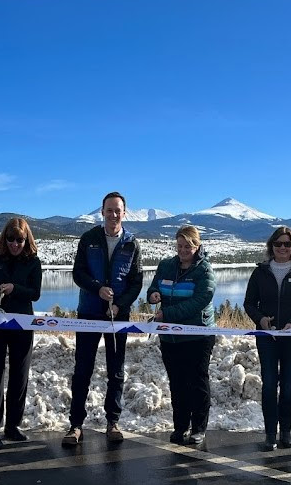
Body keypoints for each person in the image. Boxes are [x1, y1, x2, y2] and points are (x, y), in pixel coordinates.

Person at [63, 192, 143, 447]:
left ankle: (113, 422)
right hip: (88, 312)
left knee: (116, 370)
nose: (113, 214)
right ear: (102, 211)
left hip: (117, 316)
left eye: (118, 210)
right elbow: (78, 273)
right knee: (82, 369)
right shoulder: (89, 239)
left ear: (124, 213)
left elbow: (136, 281)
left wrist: (121, 304)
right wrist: (97, 288)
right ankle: (76, 425)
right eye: (109, 210)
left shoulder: (132, 243)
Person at [0, 217, 42, 450]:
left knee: (19, 376)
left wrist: (15, 288)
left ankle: (13, 426)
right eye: (11, 239)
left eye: (20, 240)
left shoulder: (33, 262)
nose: (15, 244)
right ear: (4, 238)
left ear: (26, 239)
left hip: (22, 324)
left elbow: (36, 293)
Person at [244, 227, 291, 450]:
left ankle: (286, 431)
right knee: (269, 385)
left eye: (287, 244)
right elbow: (249, 303)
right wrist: (261, 320)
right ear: (271, 246)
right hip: (267, 338)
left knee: (287, 386)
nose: (282, 248)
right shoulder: (260, 272)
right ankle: (270, 433)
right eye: (278, 243)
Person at [147, 226, 217, 446]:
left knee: (197, 381)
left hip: (198, 335)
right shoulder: (166, 266)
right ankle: (180, 426)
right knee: (176, 382)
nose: (183, 250)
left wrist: (167, 313)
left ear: (197, 246)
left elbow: (198, 302)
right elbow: (152, 288)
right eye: (180, 246)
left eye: (188, 246)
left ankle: (199, 427)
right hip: (170, 337)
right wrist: (153, 295)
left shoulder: (205, 271)